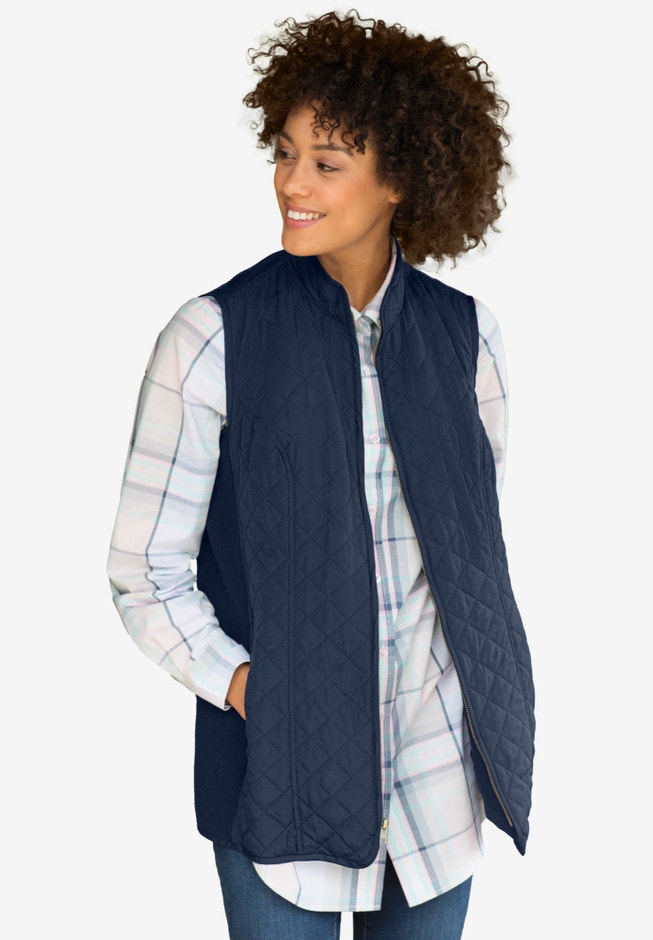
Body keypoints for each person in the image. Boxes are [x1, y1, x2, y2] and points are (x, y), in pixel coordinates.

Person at [107, 10, 535, 939]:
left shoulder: (468, 338)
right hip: (279, 778)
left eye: (326, 163)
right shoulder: (211, 337)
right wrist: (247, 687)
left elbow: (468, 554)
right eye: (285, 153)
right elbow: (145, 572)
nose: (290, 183)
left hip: (435, 786)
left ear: (402, 179)